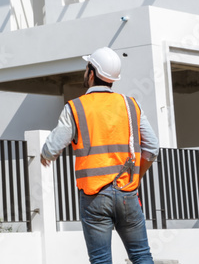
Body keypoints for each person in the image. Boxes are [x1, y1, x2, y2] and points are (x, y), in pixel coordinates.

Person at [39, 47, 159, 264]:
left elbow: (52, 149)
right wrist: (137, 177)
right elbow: (152, 147)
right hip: (128, 193)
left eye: (87, 68)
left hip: (95, 197)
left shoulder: (75, 108)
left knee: (101, 260)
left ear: (91, 73)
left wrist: (44, 154)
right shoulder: (131, 104)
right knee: (141, 256)